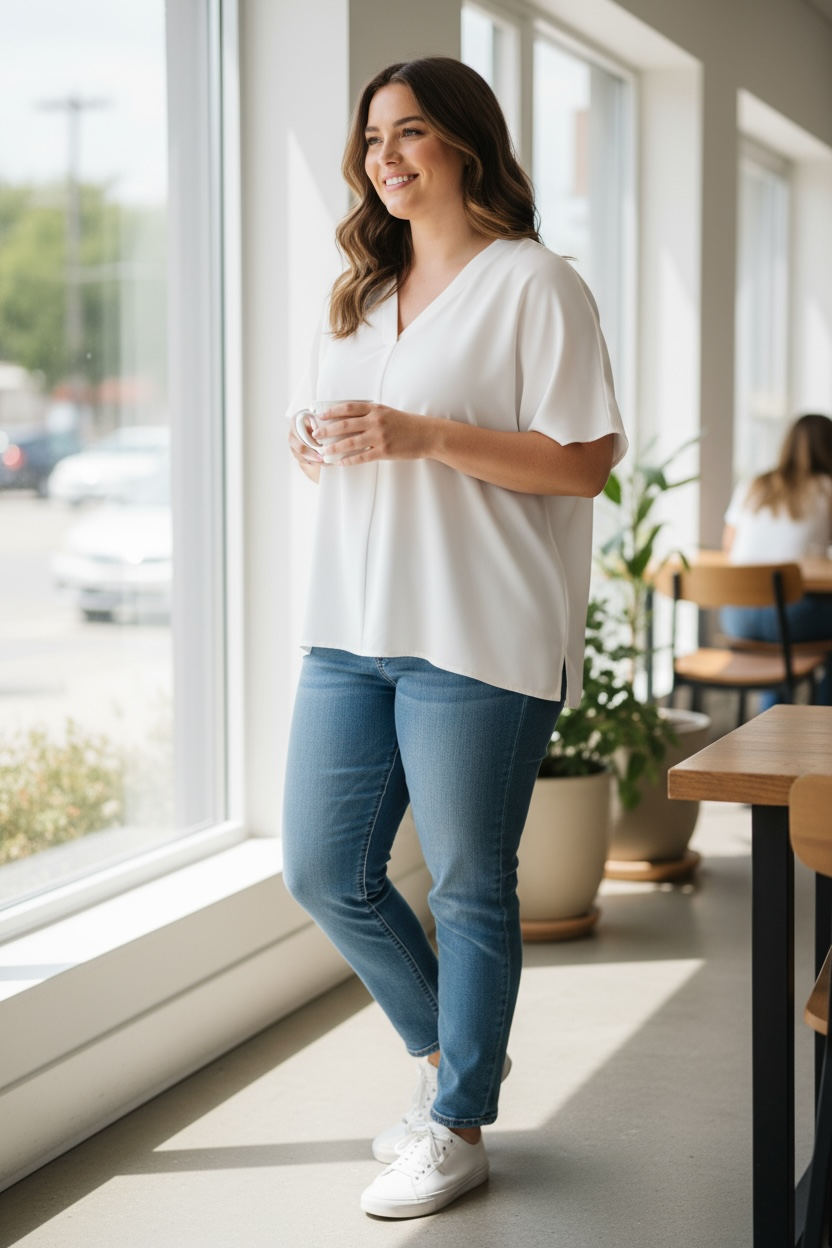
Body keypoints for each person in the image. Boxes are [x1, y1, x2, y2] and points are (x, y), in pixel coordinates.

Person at [282, 56, 627, 1220]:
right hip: (350, 617)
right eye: (373, 136)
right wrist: (316, 435)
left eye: (411, 131)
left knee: (473, 886)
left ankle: (457, 1124)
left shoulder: (534, 284)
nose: (385, 155)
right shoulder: (359, 292)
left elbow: (584, 460)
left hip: (478, 625)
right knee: (325, 868)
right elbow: (365, 428)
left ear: (468, 146)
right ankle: (451, 1069)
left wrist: (421, 437)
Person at [721, 412, 832, 705]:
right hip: (795, 617)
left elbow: (728, 547)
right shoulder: (827, 488)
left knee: (778, 650)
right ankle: (825, 725)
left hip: (737, 616)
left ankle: (771, 726)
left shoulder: (754, 485)